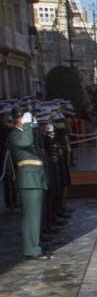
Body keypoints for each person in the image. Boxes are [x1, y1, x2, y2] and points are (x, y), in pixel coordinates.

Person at [7, 110, 51, 260]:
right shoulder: (14, 135)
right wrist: (26, 124)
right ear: (17, 120)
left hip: (34, 178)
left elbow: (36, 143)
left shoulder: (25, 132)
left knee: (36, 216)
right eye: (23, 118)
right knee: (31, 216)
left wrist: (35, 127)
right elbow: (26, 141)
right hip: (28, 179)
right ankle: (32, 249)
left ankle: (36, 244)